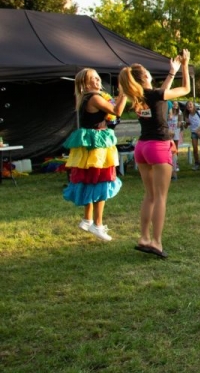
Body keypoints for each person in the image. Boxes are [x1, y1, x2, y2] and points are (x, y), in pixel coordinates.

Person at [118, 49, 191, 259]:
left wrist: (172, 72)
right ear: (145, 77)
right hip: (158, 146)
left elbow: (160, 95)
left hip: (142, 147)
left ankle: (144, 237)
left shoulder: (138, 97)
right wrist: (185, 66)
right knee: (160, 197)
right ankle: (156, 242)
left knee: (150, 195)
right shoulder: (154, 94)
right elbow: (185, 89)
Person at [63, 68, 128, 241]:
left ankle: (87, 219)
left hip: (91, 144)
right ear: (85, 84)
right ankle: (97, 225)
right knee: (101, 180)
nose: (98, 81)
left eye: (98, 78)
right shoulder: (94, 98)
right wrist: (124, 93)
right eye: (93, 79)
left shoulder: (84, 97)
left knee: (90, 180)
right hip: (97, 145)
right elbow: (117, 111)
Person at [183, 100, 200, 170]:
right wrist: (186, 123)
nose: (189, 106)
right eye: (188, 105)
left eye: (190, 104)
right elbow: (185, 127)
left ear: (193, 106)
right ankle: (197, 163)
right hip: (193, 133)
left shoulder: (199, 112)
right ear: (186, 107)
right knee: (195, 149)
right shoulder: (187, 115)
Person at [166, 103, 183, 174]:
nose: (175, 105)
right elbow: (166, 120)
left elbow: (180, 121)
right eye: (174, 104)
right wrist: (169, 115)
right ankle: (169, 161)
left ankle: (176, 163)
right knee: (168, 146)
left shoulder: (179, 112)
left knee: (175, 147)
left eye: (176, 104)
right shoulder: (169, 111)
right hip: (169, 131)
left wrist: (180, 123)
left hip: (176, 130)